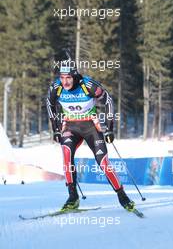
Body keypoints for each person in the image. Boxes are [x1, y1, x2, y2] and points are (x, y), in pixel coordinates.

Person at [46, 49, 135, 212]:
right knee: (66, 155)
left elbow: (107, 100)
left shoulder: (87, 85)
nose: (65, 82)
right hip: (71, 127)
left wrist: (109, 128)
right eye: (62, 78)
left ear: (74, 75)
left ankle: (122, 196)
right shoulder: (56, 88)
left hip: (91, 127)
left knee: (103, 163)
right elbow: (50, 105)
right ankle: (73, 198)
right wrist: (56, 129)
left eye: (68, 78)